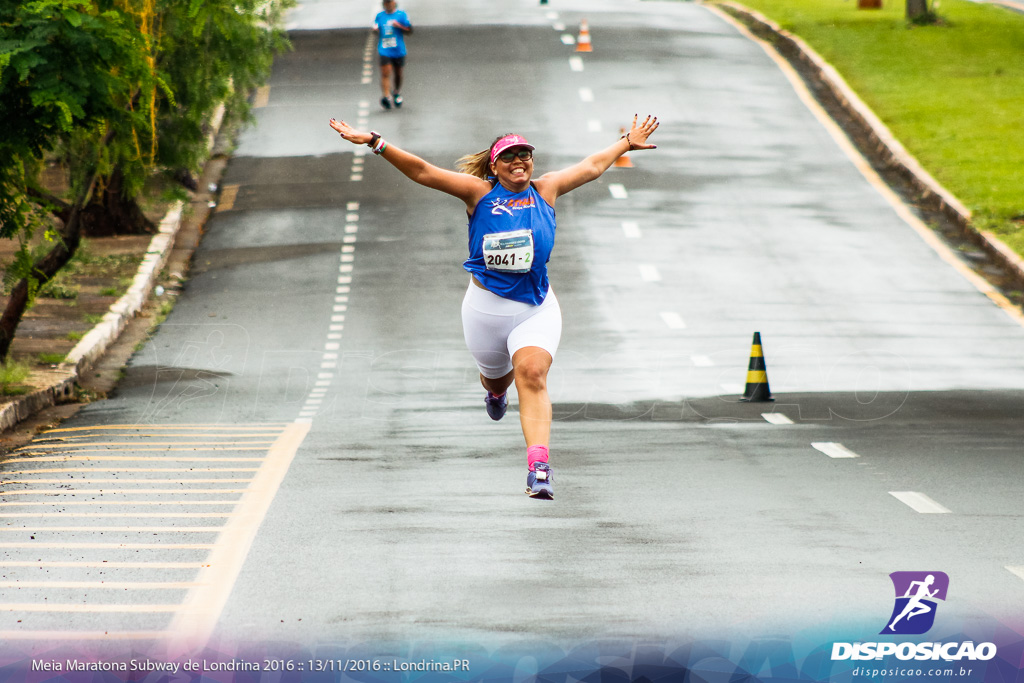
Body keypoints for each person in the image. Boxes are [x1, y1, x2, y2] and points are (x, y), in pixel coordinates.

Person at [328, 115, 659, 498]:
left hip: (536, 306)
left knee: (532, 375)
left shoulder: (546, 189)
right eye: (509, 157)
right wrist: (375, 141)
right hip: (486, 310)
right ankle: (495, 392)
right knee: (498, 378)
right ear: (494, 166)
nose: (519, 162)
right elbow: (421, 171)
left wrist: (625, 143)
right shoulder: (478, 194)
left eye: (525, 155)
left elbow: (592, 166)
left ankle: (539, 468)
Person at [373, 0, 412, 109]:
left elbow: (409, 30)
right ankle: (386, 96)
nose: (388, 5)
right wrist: (375, 30)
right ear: (384, 4)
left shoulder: (401, 15)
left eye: (390, 2)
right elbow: (375, 28)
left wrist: (399, 26)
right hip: (384, 50)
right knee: (385, 73)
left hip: (398, 50)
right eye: (386, 3)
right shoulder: (380, 16)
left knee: (398, 74)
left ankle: (396, 92)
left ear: (394, 3)